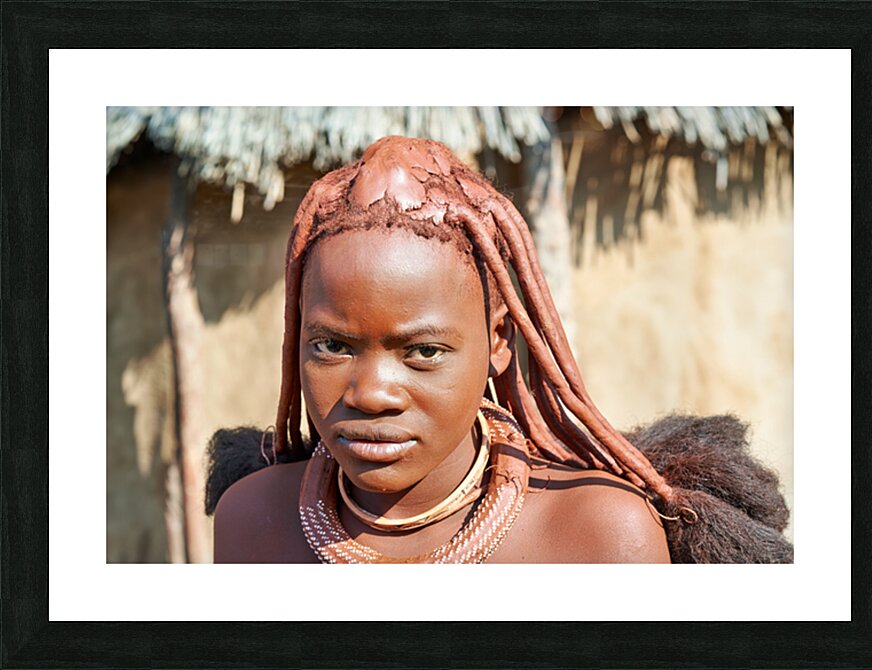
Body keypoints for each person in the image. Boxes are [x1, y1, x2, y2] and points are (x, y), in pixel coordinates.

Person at [207, 136, 793, 564]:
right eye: (332, 345)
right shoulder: (252, 523)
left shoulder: (598, 538)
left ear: (498, 342)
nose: (372, 393)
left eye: (424, 352)